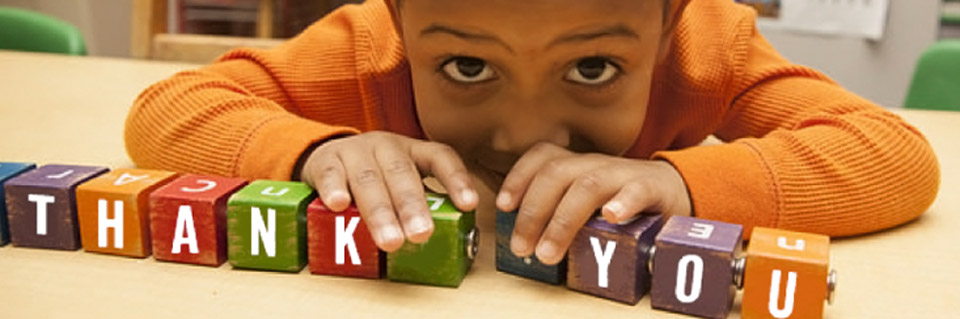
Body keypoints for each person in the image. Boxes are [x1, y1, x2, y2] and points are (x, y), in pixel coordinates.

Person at [125, 0, 940, 265]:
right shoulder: (363, 50)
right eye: (467, 69)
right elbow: (168, 110)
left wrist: (684, 184)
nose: (521, 132)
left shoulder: (710, 48)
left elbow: (892, 154)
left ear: (665, 31)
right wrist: (312, 150)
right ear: (404, 25)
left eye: (591, 69)